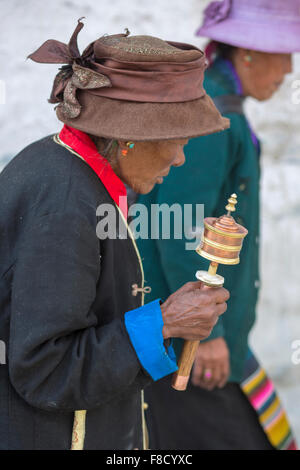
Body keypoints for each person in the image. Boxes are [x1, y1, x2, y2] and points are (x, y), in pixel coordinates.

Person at [0, 19, 230, 450]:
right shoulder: (64, 201)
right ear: (129, 139)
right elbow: (45, 369)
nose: (181, 159)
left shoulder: (71, 170)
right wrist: (163, 323)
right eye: (177, 139)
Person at [138, 0, 299, 450]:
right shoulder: (211, 116)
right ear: (247, 52)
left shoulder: (223, 105)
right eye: (282, 54)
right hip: (190, 345)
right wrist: (203, 336)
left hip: (206, 334)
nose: (288, 70)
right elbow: (183, 227)